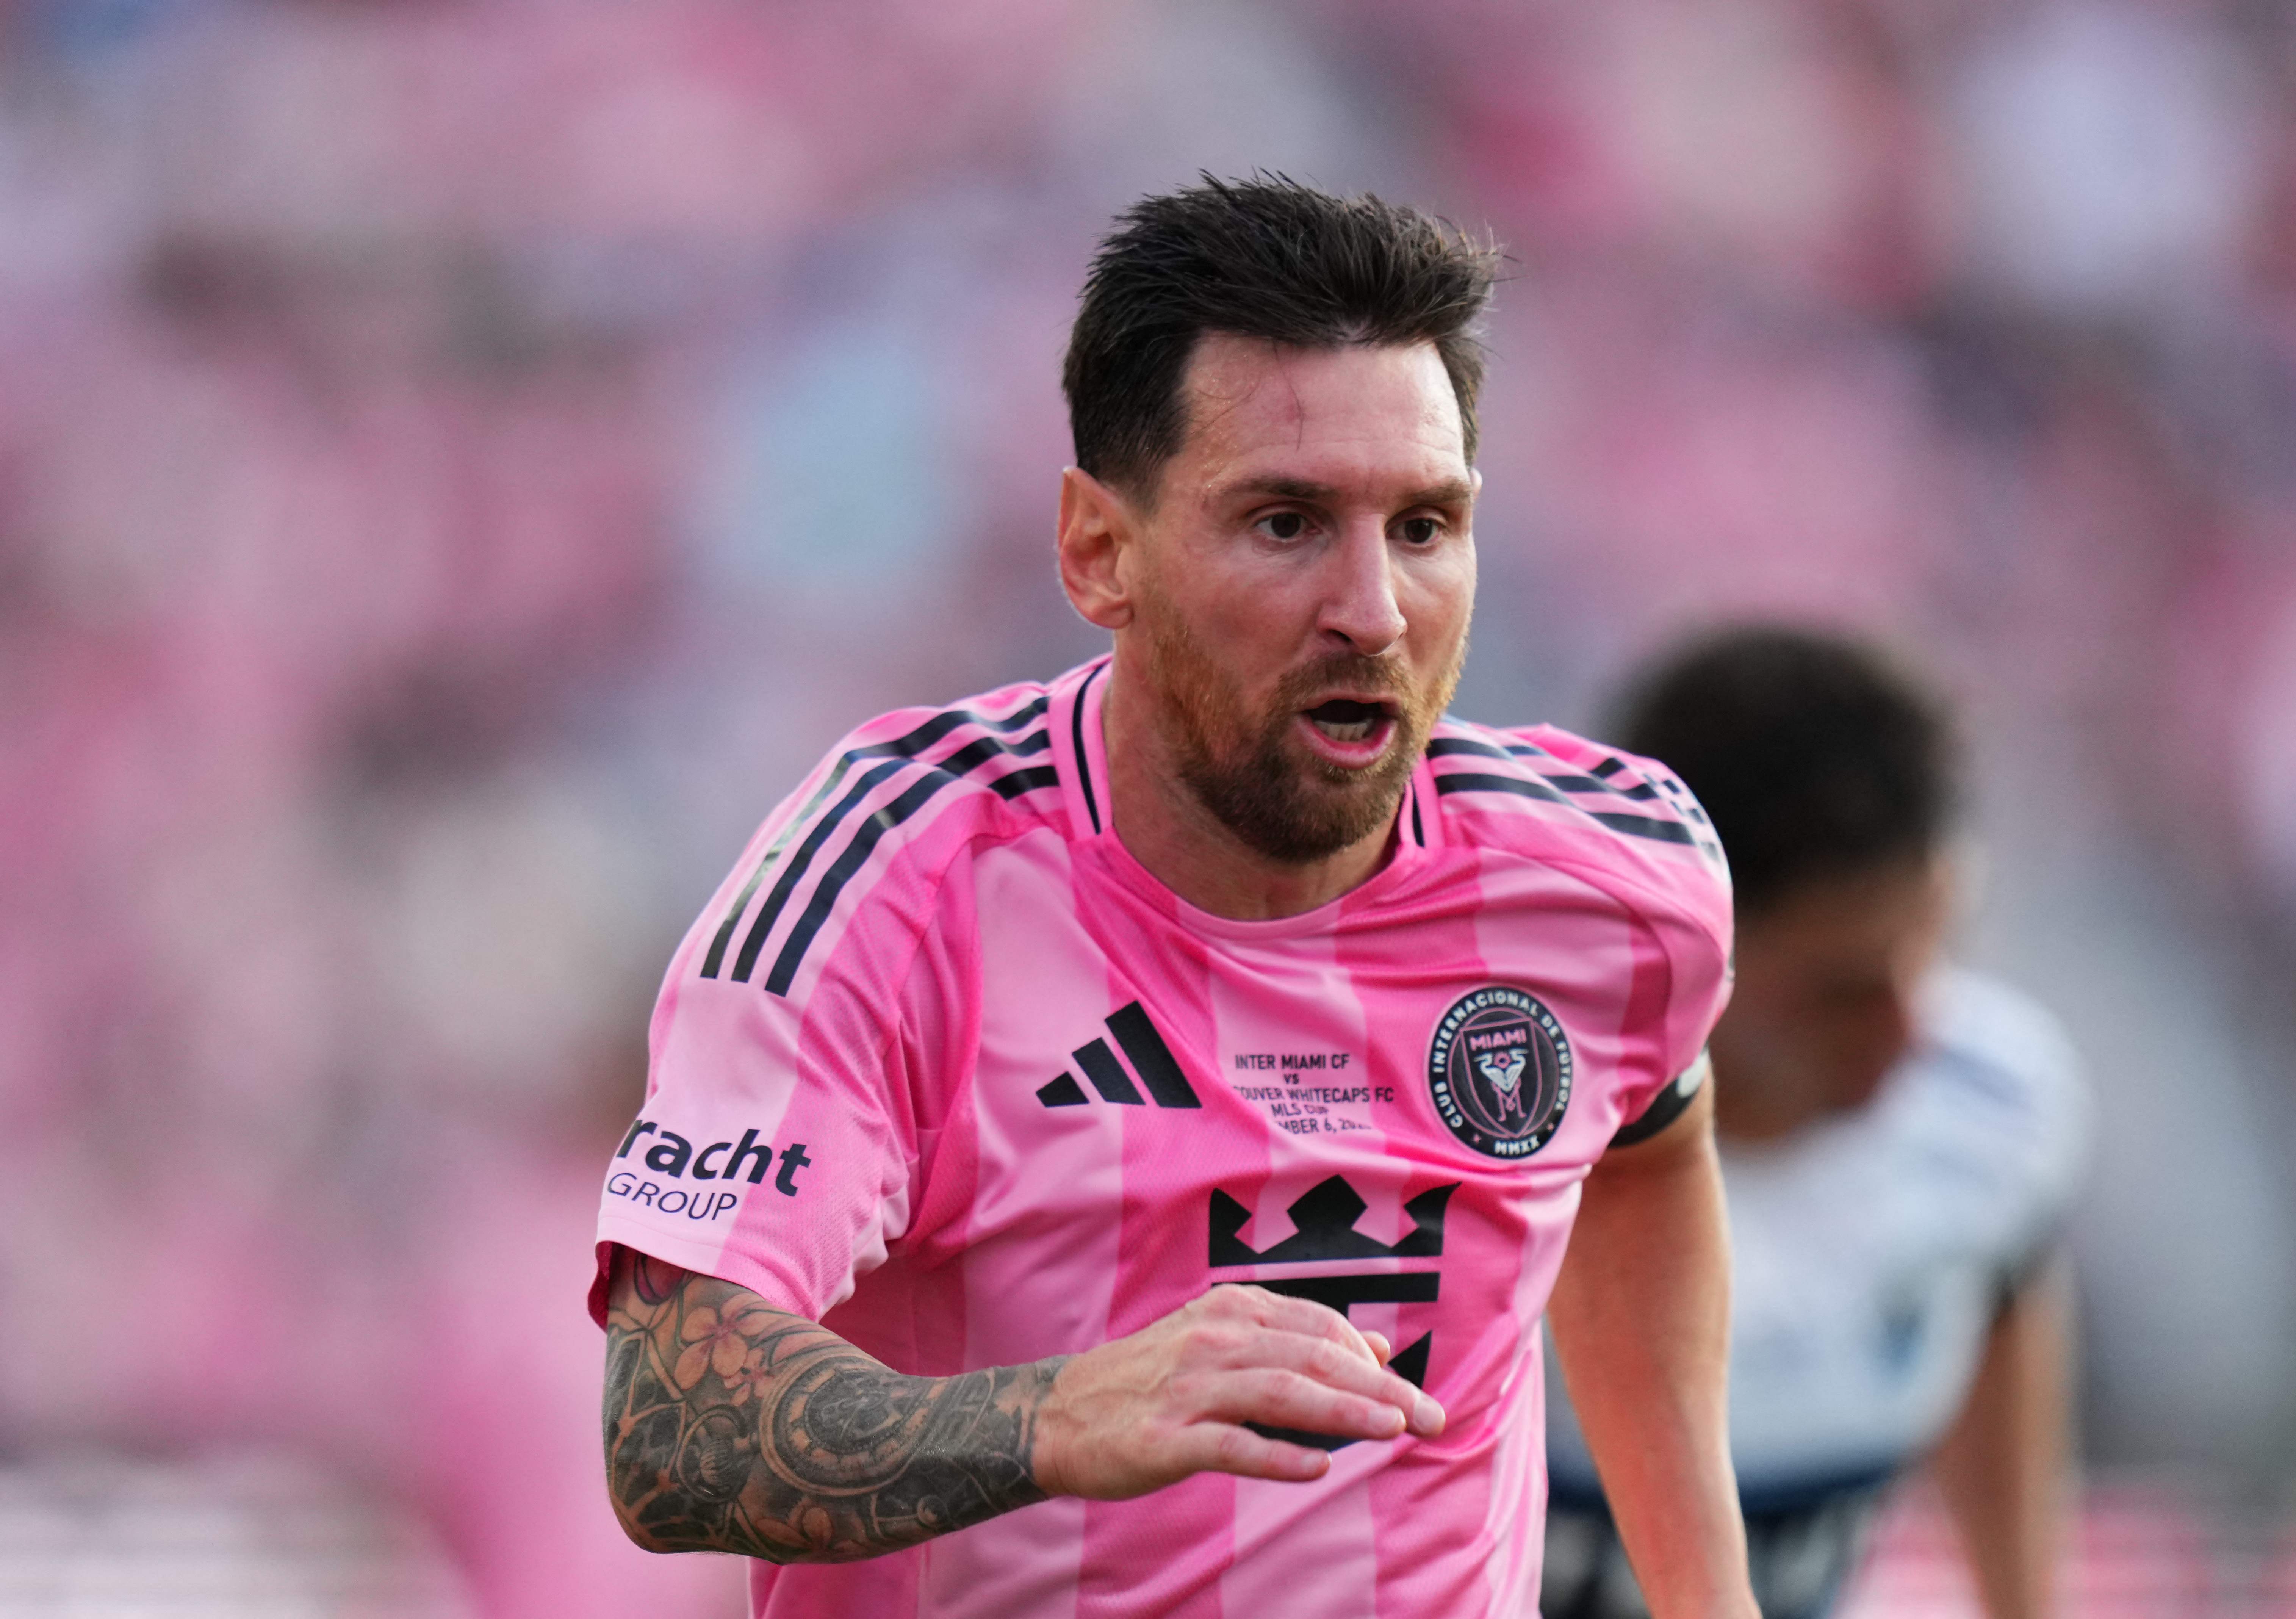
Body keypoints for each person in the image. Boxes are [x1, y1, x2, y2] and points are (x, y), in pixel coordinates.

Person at [591, 176, 1758, 1618]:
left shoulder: (1611, 881)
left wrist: (1711, 1596)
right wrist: (1056, 1417)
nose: (1374, 612)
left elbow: (1646, 1141)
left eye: (1423, 526)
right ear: (1099, 550)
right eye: (1285, 523)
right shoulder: (894, 886)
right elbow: (665, 1428)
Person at [1542, 627, 2089, 1619]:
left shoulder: (1996, 1110)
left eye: (1932, 952)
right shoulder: (1501, 1150)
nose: (1909, 1030)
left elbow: (2007, 1295)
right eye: (1840, 992)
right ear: (1669, 946)